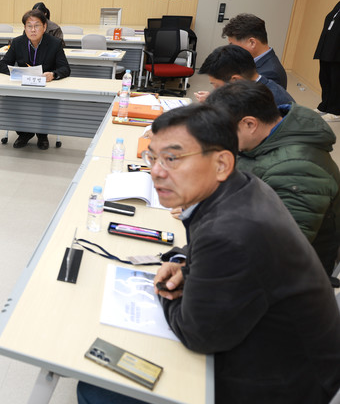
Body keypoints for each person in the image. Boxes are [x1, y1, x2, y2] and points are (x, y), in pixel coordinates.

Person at [145, 103, 340, 404]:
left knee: (96, 391)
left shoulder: (229, 233)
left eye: (172, 158)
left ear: (222, 163)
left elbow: (198, 334)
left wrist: (162, 290)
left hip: (280, 384)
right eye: (152, 157)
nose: (156, 172)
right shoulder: (244, 186)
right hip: (288, 353)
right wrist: (185, 264)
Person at [205, 81, 340, 276]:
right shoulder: (264, 138)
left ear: (250, 124)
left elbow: (280, 251)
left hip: (291, 277)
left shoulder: (296, 170)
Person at [0, 9, 70, 150]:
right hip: (23, 85)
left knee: (48, 104)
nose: (32, 30)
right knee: (7, 102)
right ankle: (24, 133)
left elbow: (65, 68)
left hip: (46, 86)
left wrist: (53, 74)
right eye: (29, 26)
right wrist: (17, 72)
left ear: (44, 27)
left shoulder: (55, 43)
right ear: (24, 28)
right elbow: (2, 65)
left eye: (37, 25)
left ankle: (42, 135)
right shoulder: (17, 42)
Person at [193, 44, 294, 105]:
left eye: (217, 85)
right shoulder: (262, 86)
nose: (215, 90)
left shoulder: (260, 103)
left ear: (235, 80)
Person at [222, 13, 287, 88]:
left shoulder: (270, 74)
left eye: (233, 45)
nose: (231, 50)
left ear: (252, 43)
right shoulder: (252, 60)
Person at [313, 0, 340, 122]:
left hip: (337, 50)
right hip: (327, 47)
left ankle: (335, 111)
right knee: (324, 78)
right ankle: (324, 105)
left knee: (336, 81)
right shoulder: (338, 5)